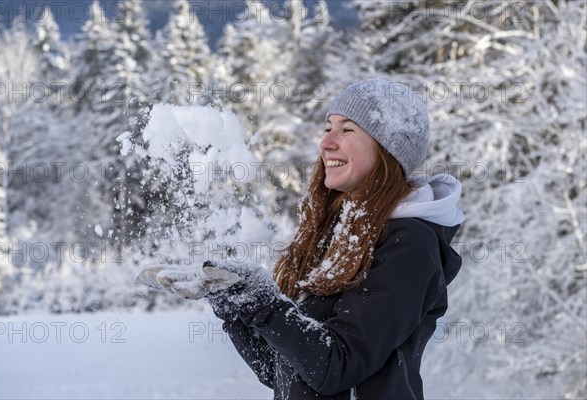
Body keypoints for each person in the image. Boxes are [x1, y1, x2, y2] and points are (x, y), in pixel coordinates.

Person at [137, 78, 465, 399]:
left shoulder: (409, 244)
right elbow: (281, 370)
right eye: (328, 128)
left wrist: (266, 305)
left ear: (388, 151)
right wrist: (236, 305)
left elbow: (337, 368)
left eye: (347, 130)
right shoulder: (339, 233)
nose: (326, 143)